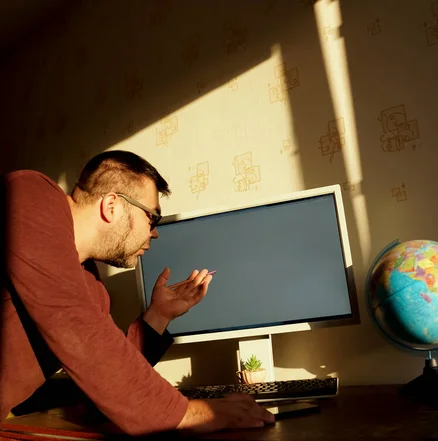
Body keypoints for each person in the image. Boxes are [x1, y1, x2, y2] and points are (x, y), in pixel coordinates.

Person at [0, 150, 274, 435]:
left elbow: (101, 387)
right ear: (112, 206)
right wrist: (191, 414)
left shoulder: (90, 288)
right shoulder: (28, 194)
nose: (154, 233)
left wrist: (158, 316)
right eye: (152, 218)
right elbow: (77, 327)